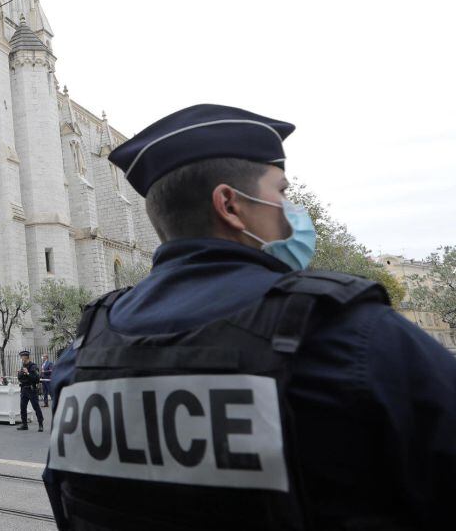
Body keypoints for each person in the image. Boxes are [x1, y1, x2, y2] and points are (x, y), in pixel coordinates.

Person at [42, 104, 456, 529]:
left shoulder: (81, 358)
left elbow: (65, 501)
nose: (292, 209)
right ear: (230, 205)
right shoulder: (354, 336)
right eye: (280, 191)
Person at [16, 350, 44, 432]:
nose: (21, 358)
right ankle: (24, 425)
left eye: (22, 357)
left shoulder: (33, 366)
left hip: (31, 389)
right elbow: (20, 378)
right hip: (24, 389)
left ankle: (40, 424)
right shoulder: (23, 366)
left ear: (26, 357)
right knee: (22, 408)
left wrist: (27, 373)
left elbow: (36, 379)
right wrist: (21, 374)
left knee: (36, 407)